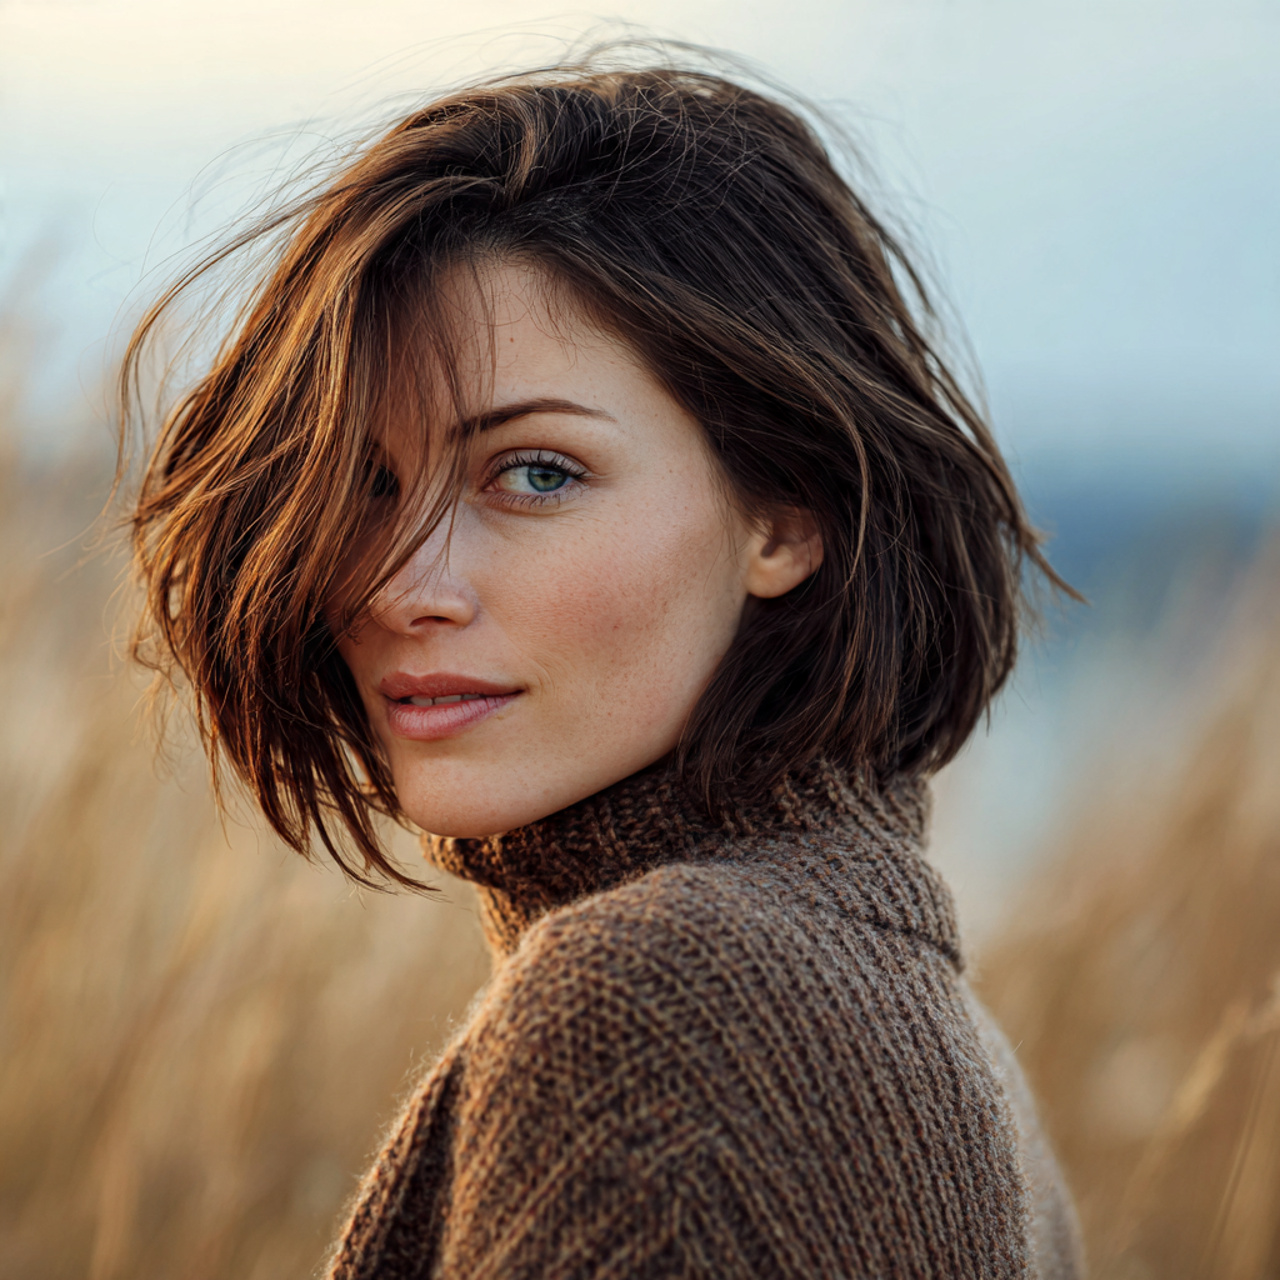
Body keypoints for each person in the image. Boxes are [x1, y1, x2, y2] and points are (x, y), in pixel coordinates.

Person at [122, 53, 1084, 1279]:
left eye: (534, 472)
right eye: (364, 484)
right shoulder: (934, 1023)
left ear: (782, 516)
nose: (398, 584)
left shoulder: (654, 1012)